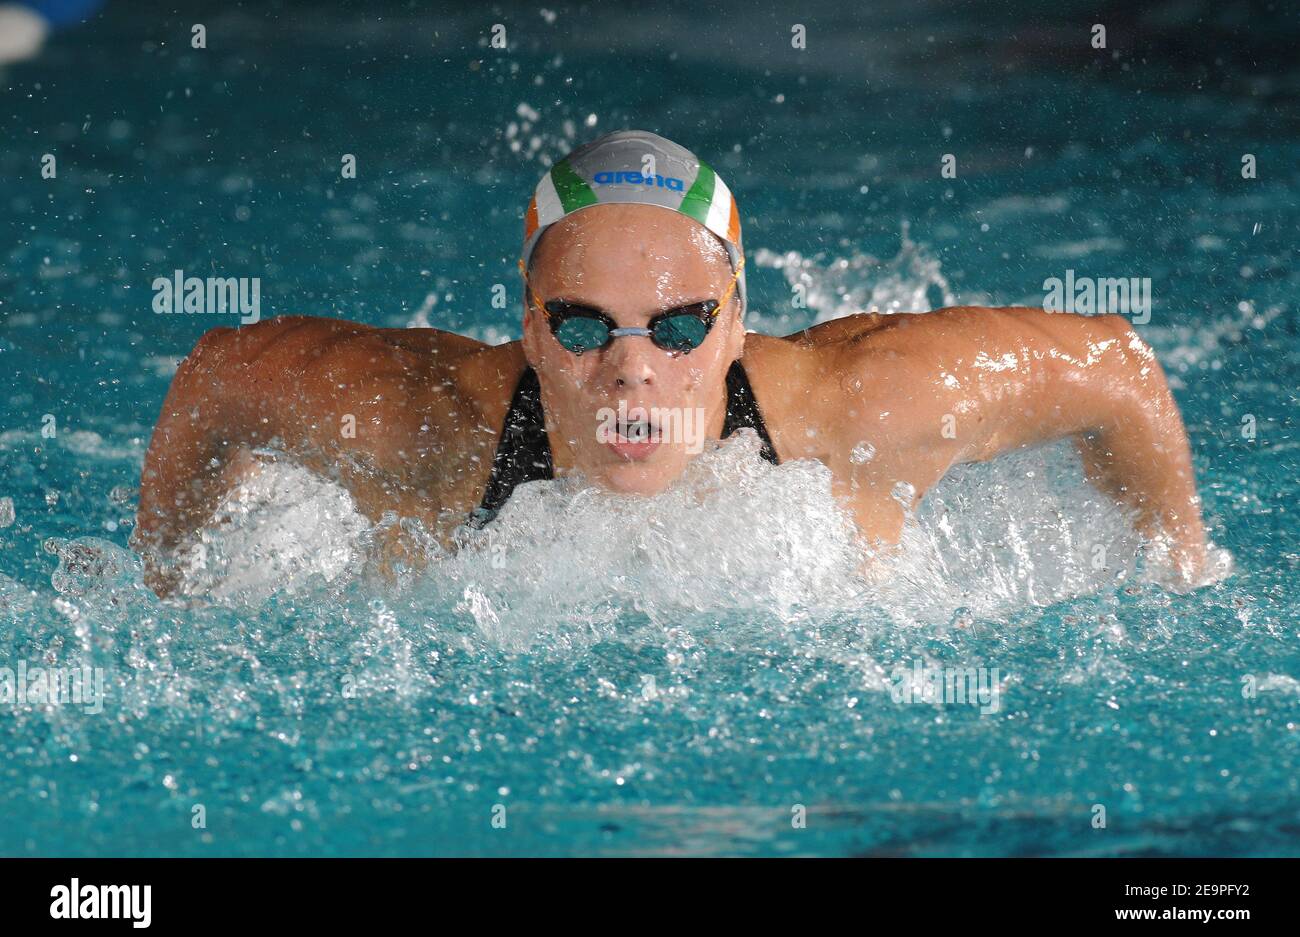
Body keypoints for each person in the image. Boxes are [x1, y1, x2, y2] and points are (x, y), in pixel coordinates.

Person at [133, 130, 1207, 597]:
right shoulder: (421, 427)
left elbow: (1116, 366)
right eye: (585, 327)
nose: (631, 371)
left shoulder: (863, 410)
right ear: (525, 323)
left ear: (739, 322)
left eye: (681, 326)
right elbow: (214, 374)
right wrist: (169, 590)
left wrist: (1177, 567)